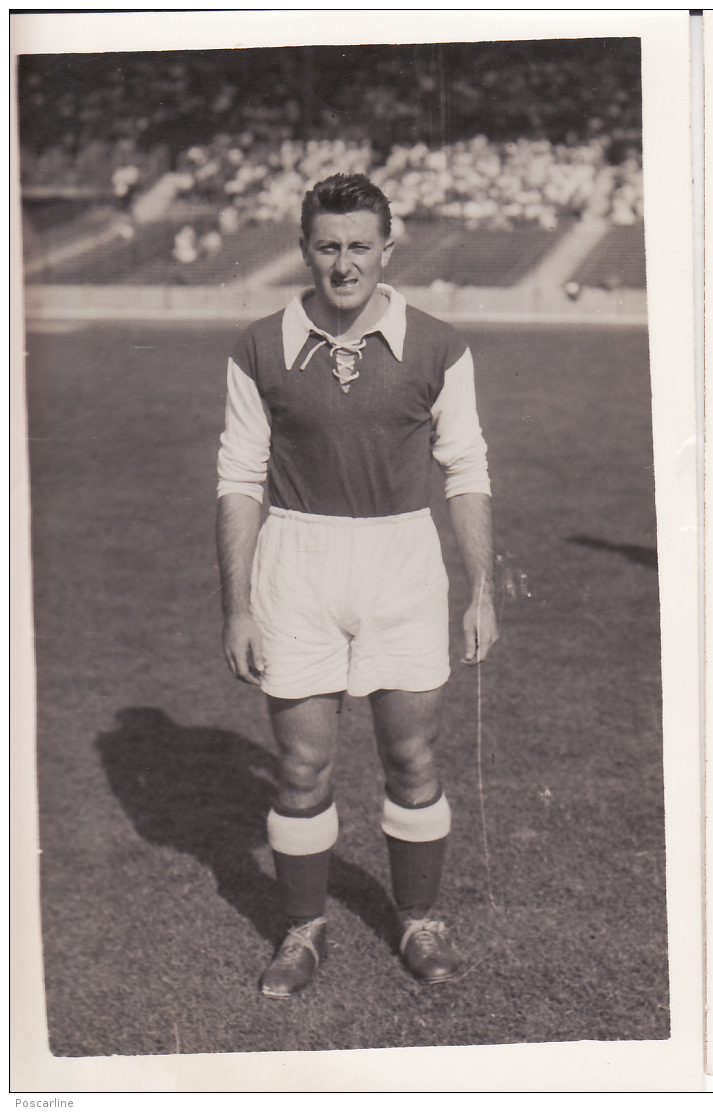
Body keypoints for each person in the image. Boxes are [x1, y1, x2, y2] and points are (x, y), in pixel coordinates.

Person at [216, 173, 499, 997]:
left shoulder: (439, 345)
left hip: (402, 562)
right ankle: (303, 929)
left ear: (387, 247)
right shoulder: (259, 346)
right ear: (305, 249)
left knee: (412, 756)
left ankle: (418, 919)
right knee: (302, 768)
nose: (345, 265)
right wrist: (236, 605)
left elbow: (467, 466)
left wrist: (480, 587)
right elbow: (239, 477)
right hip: (295, 563)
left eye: (360, 247)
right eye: (328, 247)